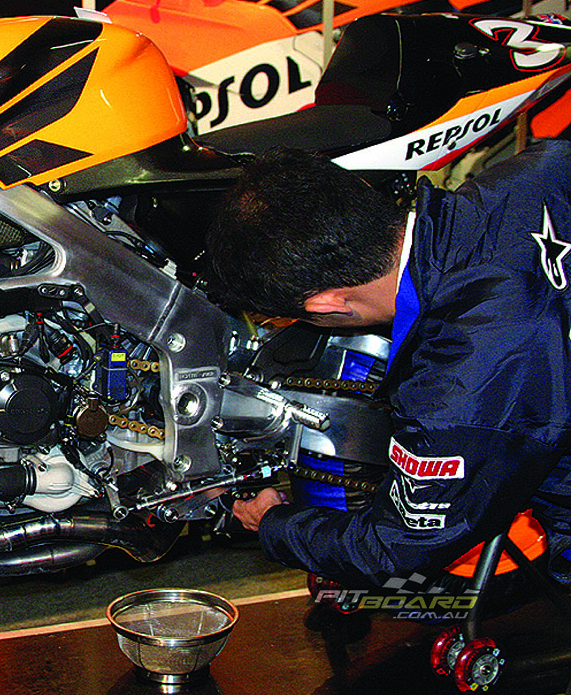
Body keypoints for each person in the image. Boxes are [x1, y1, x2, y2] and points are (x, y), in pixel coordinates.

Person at [202, 140, 571, 589]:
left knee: (425, 595)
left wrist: (273, 523)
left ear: (327, 304)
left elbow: (390, 551)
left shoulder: (456, 392)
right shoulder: (538, 167)